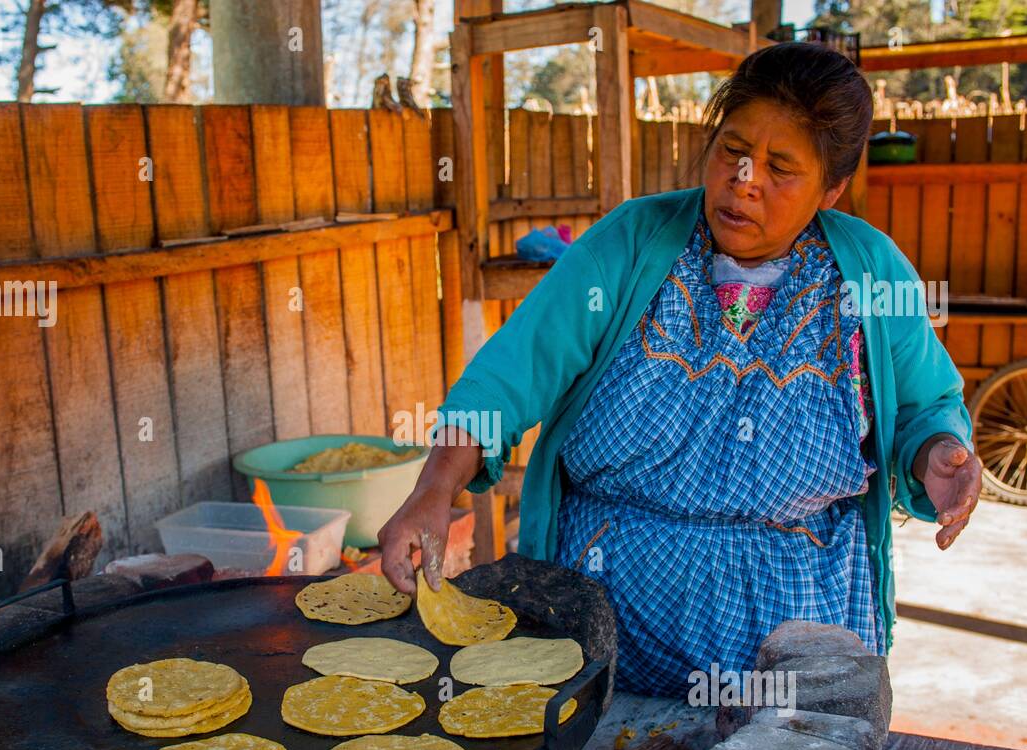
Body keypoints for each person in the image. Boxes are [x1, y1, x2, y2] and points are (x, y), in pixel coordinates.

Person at [379, 42, 982, 695]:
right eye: (732, 149)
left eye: (781, 168)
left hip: (796, 649)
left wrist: (939, 452)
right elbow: (513, 371)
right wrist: (435, 487)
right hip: (611, 632)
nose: (744, 179)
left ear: (831, 189)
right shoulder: (631, 242)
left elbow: (926, 406)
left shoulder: (869, 272)